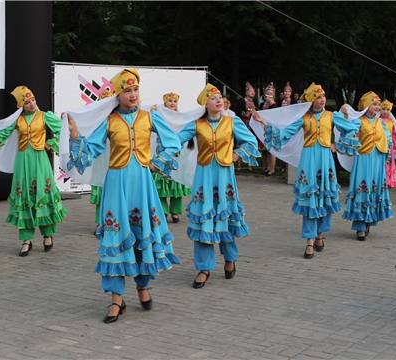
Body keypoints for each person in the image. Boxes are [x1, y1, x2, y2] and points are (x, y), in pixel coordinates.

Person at [66, 68, 182, 323]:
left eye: (135, 89)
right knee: (116, 236)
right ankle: (116, 300)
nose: (132, 94)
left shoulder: (149, 117)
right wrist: (75, 135)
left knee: (143, 235)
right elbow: (91, 151)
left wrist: (156, 162)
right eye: (127, 90)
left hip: (142, 185)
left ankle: (143, 286)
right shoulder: (109, 121)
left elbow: (173, 142)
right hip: (116, 185)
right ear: (117, 95)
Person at [251, 82, 360, 259]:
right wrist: (263, 122)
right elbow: (283, 135)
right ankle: (309, 240)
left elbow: (353, 129)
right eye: (318, 97)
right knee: (309, 199)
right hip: (308, 159)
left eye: (323, 96)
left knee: (324, 197)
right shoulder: (304, 118)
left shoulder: (332, 116)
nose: (322, 100)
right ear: (310, 100)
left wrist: (338, 145)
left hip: (325, 160)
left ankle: (320, 234)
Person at [177, 83, 261, 288]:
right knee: (203, 219)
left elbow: (251, 142)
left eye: (220, 98)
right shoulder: (197, 124)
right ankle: (204, 267)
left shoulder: (232, 122)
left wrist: (236, 154)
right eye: (213, 98)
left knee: (225, 216)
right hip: (204, 177)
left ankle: (230, 258)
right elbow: (174, 140)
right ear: (205, 104)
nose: (219, 101)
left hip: (225, 177)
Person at [0, 86, 67, 257]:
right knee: (25, 197)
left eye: (33, 100)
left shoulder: (44, 116)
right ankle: (26, 240)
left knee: (42, 195)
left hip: (40, 160)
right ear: (20, 105)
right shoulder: (18, 121)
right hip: (23, 162)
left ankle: (47, 234)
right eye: (27, 102)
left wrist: (50, 144)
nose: (31, 104)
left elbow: (63, 129)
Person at [341, 92, 395, 240]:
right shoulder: (359, 121)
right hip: (364, 159)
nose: (377, 107)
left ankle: (369, 220)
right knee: (363, 188)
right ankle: (359, 226)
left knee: (375, 188)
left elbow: (388, 137)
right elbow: (348, 129)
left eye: (378, 105)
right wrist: (346, 116)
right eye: (375, 104)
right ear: (366, 106)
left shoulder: (380, 122)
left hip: (377, 158)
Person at [152, 92, 191, 223]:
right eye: (170, 101)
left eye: (175, 101)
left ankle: (175, 212)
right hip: (162, 152)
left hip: (177, 154)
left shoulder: (181, 118)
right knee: (162, 182)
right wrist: (153, 113)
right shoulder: (159, 117)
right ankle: (162, 211)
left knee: (176, 181)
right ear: (165, 104)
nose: (173, 103)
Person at [90, 89, 114, 236]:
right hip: (100, 159)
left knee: (115, 190)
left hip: (116, 158)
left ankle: (115, 221)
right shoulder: (95, 118)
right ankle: (100, 222)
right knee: (101, 189)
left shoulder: (119, 117)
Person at [232, 81, 257, 171]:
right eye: (251, 91)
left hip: (251, 124)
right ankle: (238, 166)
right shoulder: (242, 100)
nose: (253, 92)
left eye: (253, 91)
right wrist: (245, 115)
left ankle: (249, 165)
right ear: (246, 92)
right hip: (243, 123)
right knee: (240, 142)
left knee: (249, 142)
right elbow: (238, 111)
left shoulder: (254, 102)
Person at [277, 82, 298, 174]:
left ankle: (289, 164)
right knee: (283, 144)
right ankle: (282, 165)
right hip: (282, 124)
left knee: (290, 144)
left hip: (290, 124)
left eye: (288, 91)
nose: (286, 93)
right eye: (285, 91)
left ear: (291, 93)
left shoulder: (293, 102)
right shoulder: (279, 102)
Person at [259, 83, 278, 176]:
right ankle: (267, 166)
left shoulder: (273, 106)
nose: (265, 98)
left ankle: (272, 168)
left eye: (267, 96)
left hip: (271, 128)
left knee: (271, 150)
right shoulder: (264, 104)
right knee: (266, 149)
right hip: (265, 128)